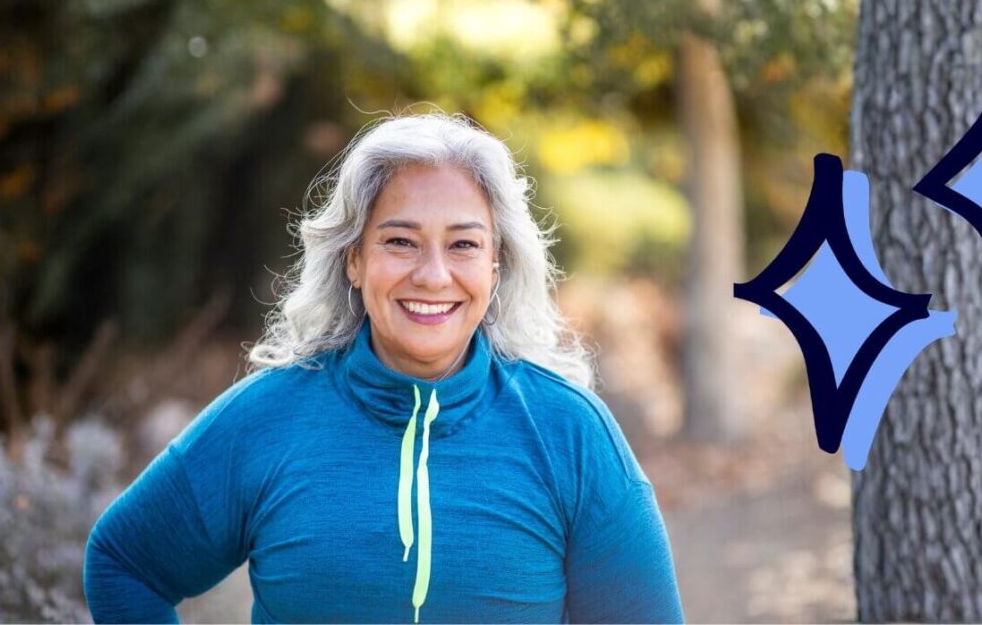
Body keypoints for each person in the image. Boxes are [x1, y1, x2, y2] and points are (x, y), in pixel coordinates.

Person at [83, 113, 684, 623]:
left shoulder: (570, 433)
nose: (432, 274)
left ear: (496, 265)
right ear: (353, 260)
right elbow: (125, 562)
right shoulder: (269, 418)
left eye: (464, 245)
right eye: (400, 241)